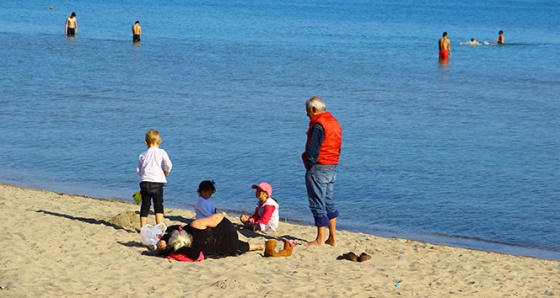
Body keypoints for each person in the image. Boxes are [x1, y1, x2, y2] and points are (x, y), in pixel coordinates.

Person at [302, 96, 342, 247]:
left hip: (319, 167)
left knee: (317, 203)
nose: (307, 115)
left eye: (308, 111)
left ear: (314, 109)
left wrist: (309, 164)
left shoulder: (319, 124)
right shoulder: (334, 123)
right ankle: (332, 238)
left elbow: (313, 149)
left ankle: (320, 239)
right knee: (329, 202)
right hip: (332, 165)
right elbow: (338, 145)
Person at [156, 212, 264, 259]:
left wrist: (163, 246)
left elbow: (170, 250)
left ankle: (257, 246)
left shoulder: (191, 249)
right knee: (216, 225)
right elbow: (216, 219)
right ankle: (257, 246)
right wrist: (222, 214)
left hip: (228, 247)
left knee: (233, 245)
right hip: (228, 230)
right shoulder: (195, 226)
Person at [136, 129, 173, 229]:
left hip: (145, 182)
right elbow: (169, 164)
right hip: (157, 183)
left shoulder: (142, 155)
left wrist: (143, 175)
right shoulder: (161, 152)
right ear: (160, 142)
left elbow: (138, 170)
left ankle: (143, 227)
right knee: (158, 205)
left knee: (145, 205)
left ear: (146, 142)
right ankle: (159, 227)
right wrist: (166, 172)